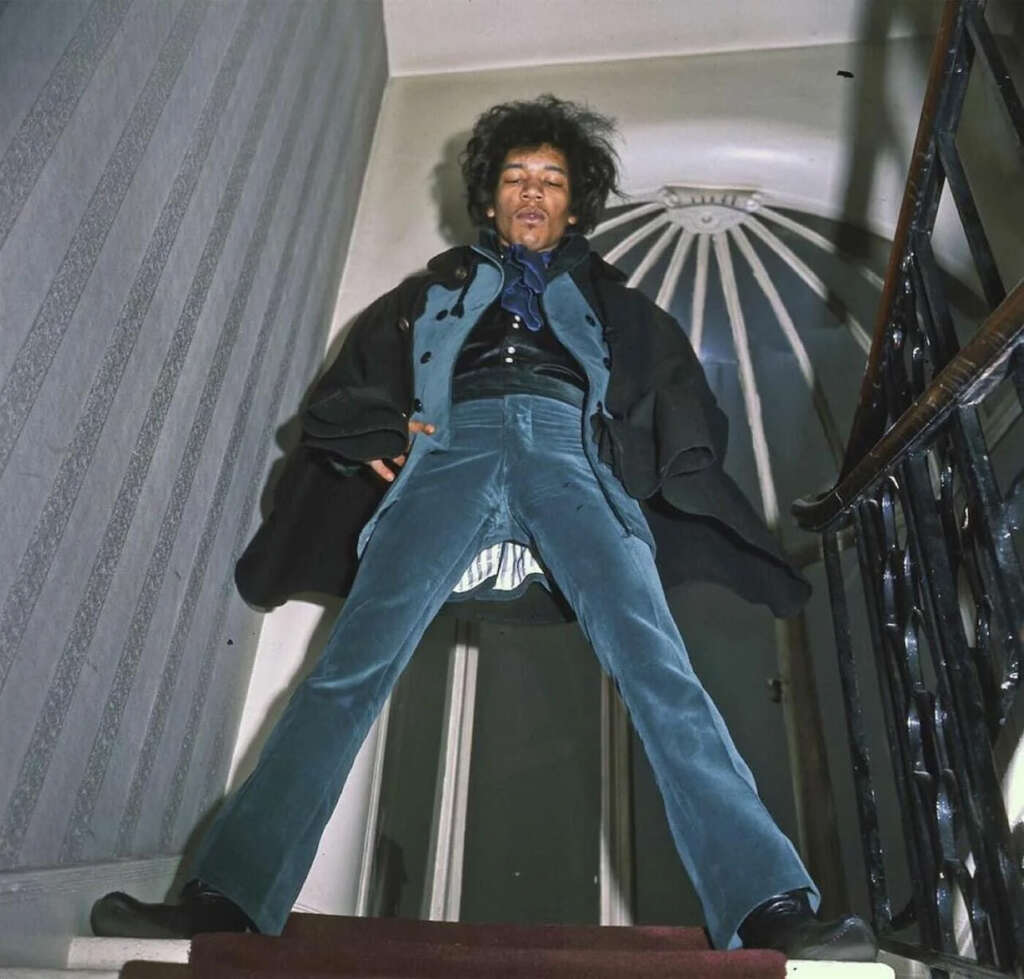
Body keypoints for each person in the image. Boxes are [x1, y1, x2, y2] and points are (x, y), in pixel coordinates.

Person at [92, 95, 876, 961]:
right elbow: (351, 386)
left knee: (661, 670)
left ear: (575, 205)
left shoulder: (614, 298)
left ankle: (767, 901)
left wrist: (619, 451)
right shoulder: (433, 287)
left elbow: (679, 396)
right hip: (452, 446)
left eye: (551, 180)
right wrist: (385, 435)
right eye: (515, 177)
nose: (532, 192)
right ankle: (224, 898)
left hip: (568, 450)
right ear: (491, 198)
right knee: (350, 664)